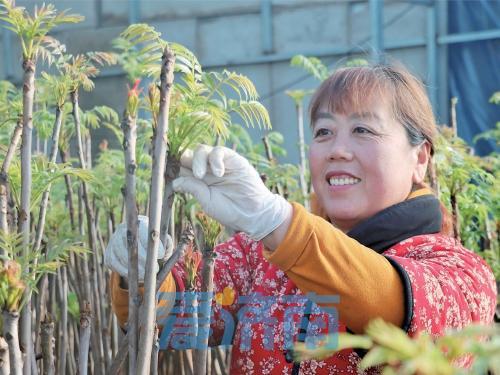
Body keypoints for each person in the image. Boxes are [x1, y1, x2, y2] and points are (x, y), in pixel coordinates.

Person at [106, 64, 497, 374]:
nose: (337, 150)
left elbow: (395, 309)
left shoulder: (462, 275)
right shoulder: (259, 258)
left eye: (362, 129)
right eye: (324, 131)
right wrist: (139, 267)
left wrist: (274, 220)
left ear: (421, 157)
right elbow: (171, 321)